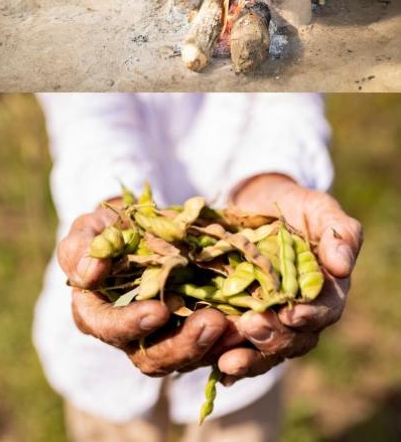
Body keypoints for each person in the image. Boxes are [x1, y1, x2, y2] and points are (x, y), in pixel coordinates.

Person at [34, 94, 362, 442]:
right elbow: (86, 113)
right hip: (101, 373)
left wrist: (272, 176)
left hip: (249, 355)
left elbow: (289, 96)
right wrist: (115, 205)